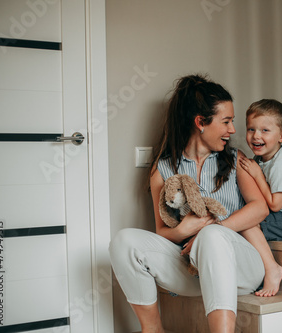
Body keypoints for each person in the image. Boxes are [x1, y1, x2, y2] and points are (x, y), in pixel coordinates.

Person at [109, 74, 269, 333]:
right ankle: (153, 330)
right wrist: (184, 230)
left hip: (240, 268)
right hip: (192, 269)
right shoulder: (162, 169)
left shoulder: (234, 160)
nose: (233, 130)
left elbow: (260, 207)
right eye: (226, 121)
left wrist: (213, 229)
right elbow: (162, 232)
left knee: (214, 235)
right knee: (123, 241)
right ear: (200, 123)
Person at [239, 99, 282, 297]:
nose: (256, 136)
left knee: (247, 222)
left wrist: (258, 175)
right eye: (251, 129)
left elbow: (276, 205)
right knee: (242, 216)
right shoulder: (261, 159)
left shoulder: (281, 164)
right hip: (278, 215)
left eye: (265, 130)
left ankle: (272, 270)